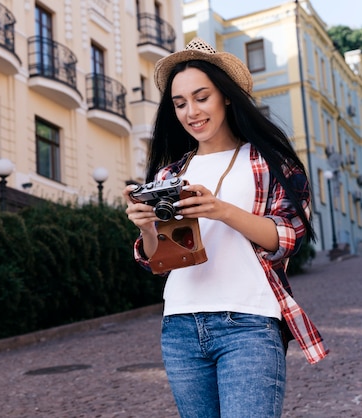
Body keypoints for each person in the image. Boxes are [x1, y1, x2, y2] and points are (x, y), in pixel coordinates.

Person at [123, 38, 329, 418]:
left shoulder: (269, 162)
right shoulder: (170, 174)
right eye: (180, 103)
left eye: (202, 97)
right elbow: (161, 261)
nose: (191, 112)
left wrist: (220, 210)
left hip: (249, 323)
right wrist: (148, 230)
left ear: (227, 96)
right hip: (181, 325)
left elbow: (287, 238)